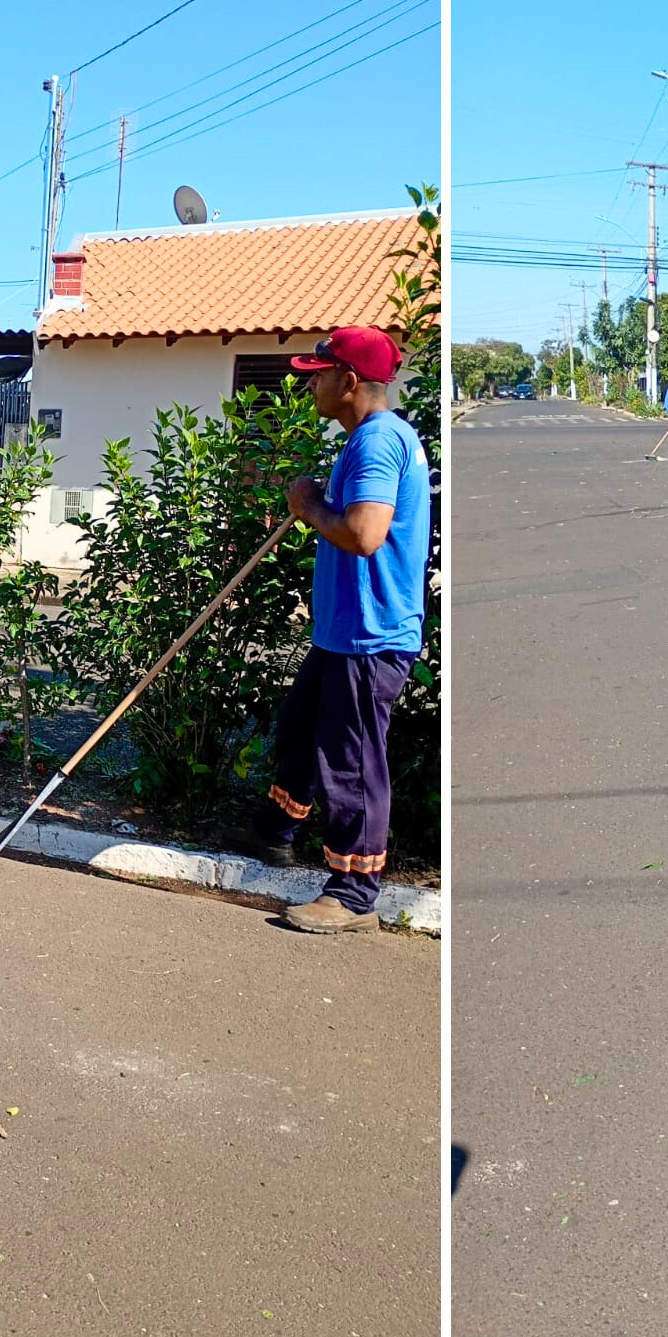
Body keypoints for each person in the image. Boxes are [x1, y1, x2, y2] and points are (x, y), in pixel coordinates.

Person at [246, 326, 432, 933]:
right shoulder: (366, 439)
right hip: (343, 633)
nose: (310, 385)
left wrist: (308, 508)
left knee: (349, 761)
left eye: (318, 375)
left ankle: (353, 892)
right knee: (300, 730)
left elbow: (364, 534)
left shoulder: (378, 443)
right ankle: (277, 833)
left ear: (349, 380)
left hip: (370, 636)